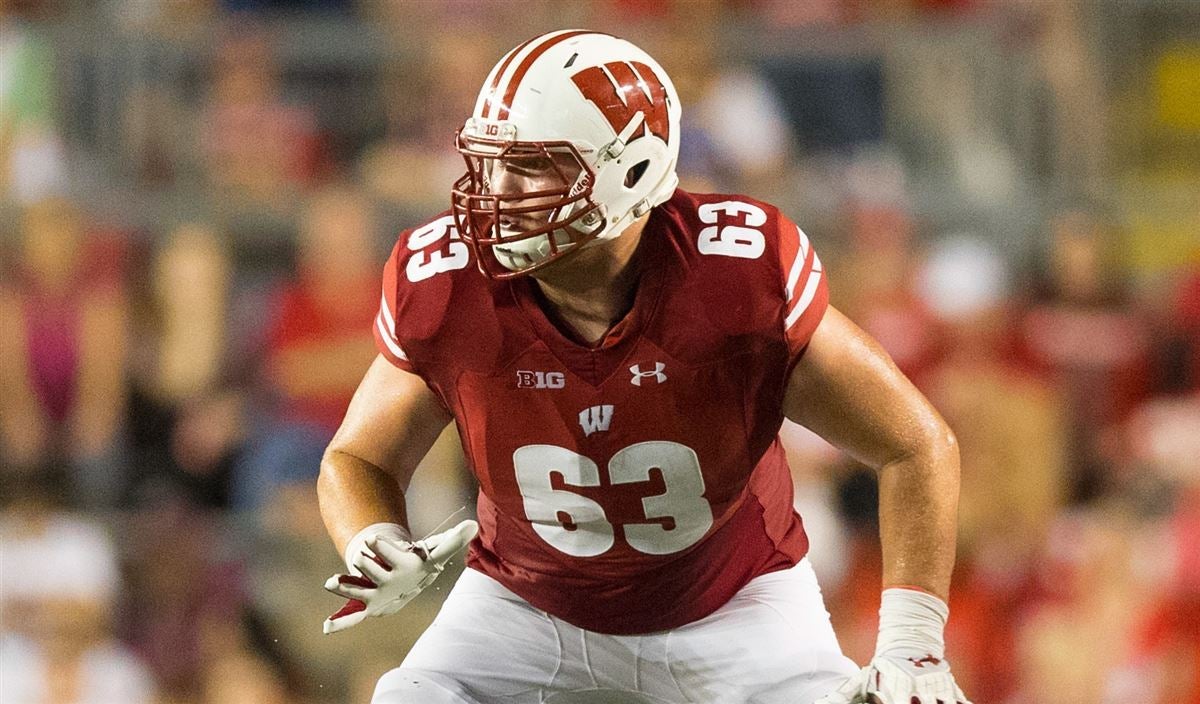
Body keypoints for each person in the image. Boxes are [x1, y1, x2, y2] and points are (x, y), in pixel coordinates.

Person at [317, 30, 970, 704]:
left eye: (533, 165)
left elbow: (914, 446)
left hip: (733, 604)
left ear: (630, 173)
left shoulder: (733, 281)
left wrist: (911, 642)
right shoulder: (451, 286)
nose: (496, 191)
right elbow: (358, 458)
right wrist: (373, 537)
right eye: (491, 162)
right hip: (525, 606)